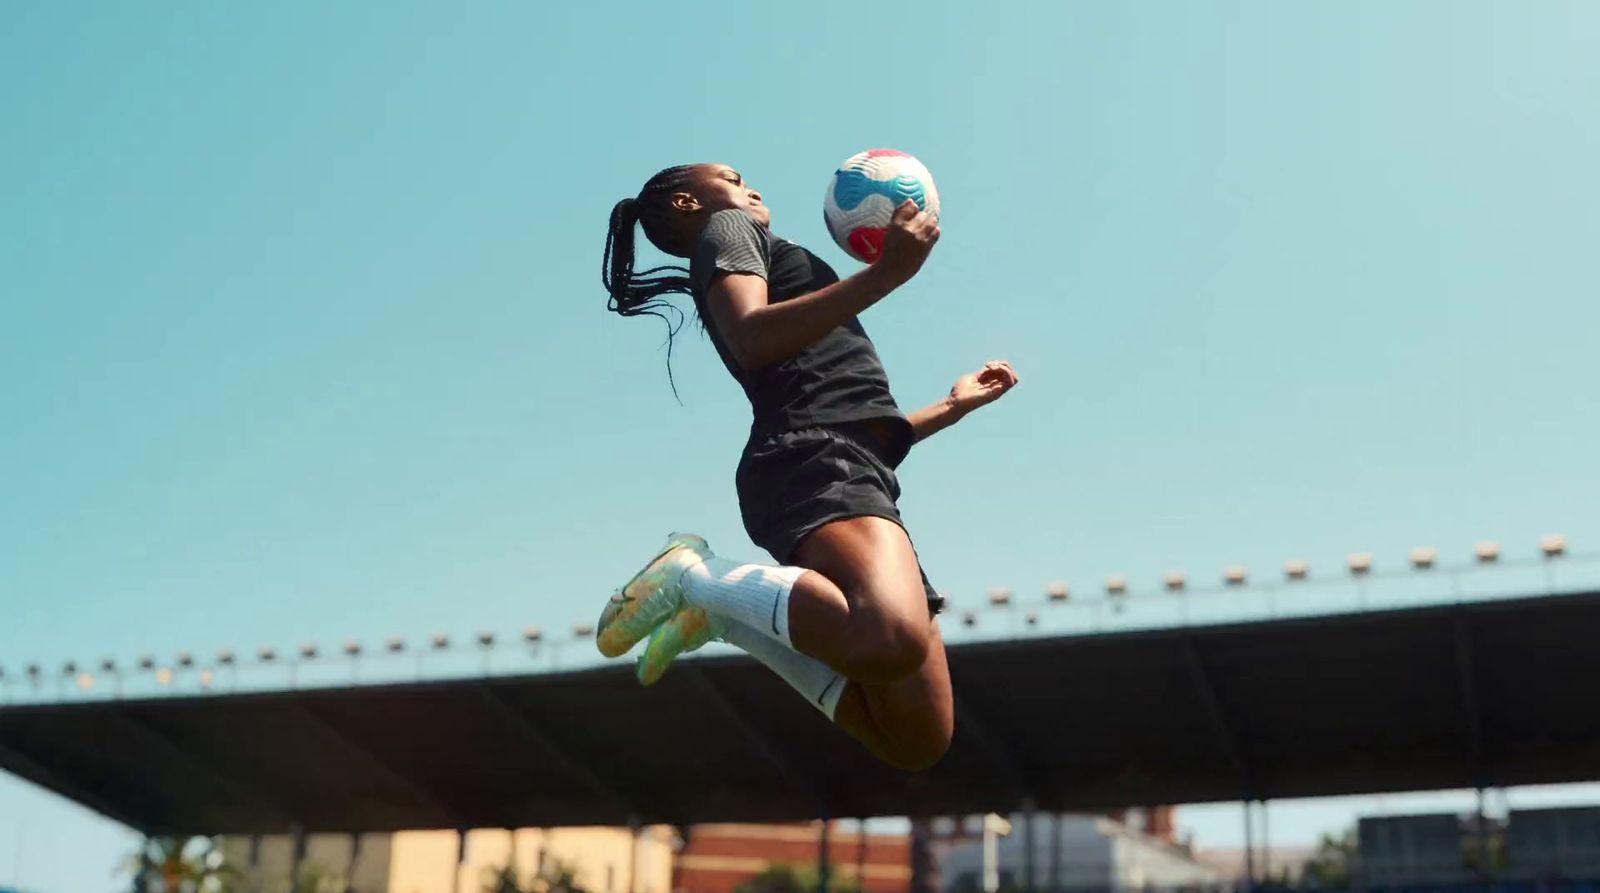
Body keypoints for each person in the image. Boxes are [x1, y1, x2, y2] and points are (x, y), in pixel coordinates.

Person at [595, 163, 1018, 771]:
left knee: (917, 736)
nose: (751, 189)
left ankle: (723, 617)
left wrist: (950, 408)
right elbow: (753, 337)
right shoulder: (727, 227)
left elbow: (857, 426)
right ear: (689, 203)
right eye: (734, 177)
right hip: (809, 460)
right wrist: (888, 274)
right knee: (887, 638)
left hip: (846, 463)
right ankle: (695, 577)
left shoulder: (749, 240)